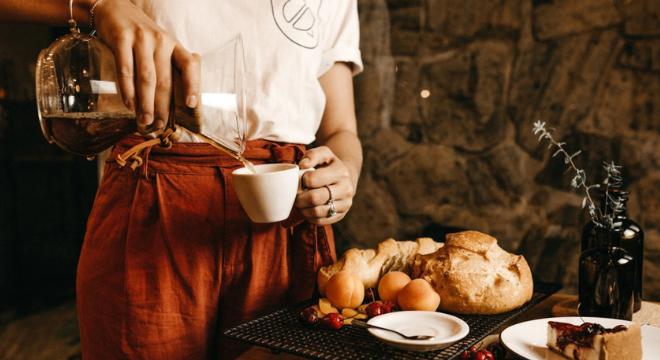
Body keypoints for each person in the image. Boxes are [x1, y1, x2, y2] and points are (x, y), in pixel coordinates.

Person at [0, 0, 363, 358]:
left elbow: (342, 130)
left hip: (281, 218)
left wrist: (344, 171)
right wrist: (99, 5)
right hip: (152, 204)